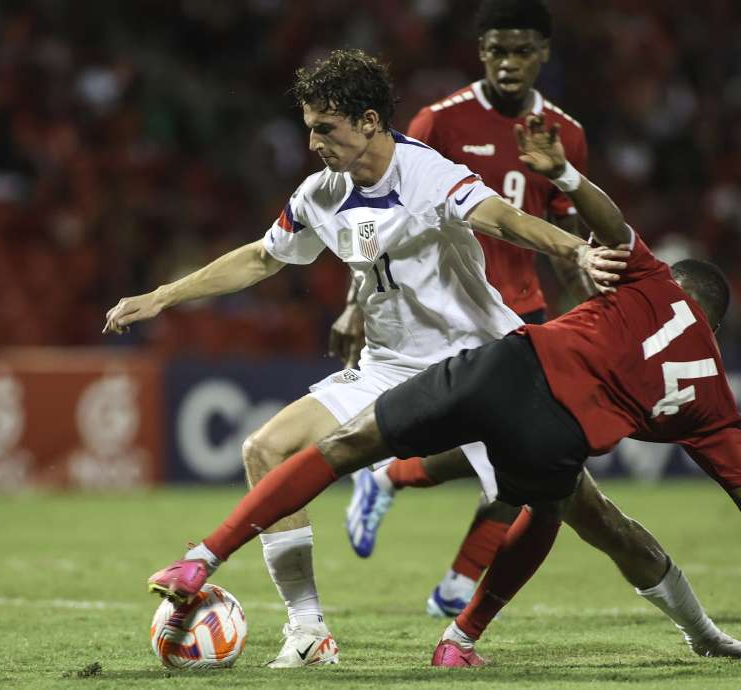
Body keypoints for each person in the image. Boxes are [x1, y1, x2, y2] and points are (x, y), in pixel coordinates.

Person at [144, 114, 741, 668]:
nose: (311, 142)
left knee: (347, 448)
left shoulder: (647, 279)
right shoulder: (716, 403)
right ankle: (417, 632)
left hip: (496, 360)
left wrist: (573, 208)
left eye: (321, 129)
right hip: (527, 415)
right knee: (572, 514)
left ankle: (209, 553)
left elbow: (555, 222)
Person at [105, 48, 626, 668]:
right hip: (390, 367)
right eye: (308, 128)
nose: (313, 143)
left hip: (483, 365)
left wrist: (575, 252)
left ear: (370, 122)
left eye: (326, 129)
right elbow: (261, 257)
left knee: (588, 517)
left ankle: (693, 623)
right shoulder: (320, 193)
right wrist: (163, 296)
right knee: (264, 449)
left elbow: (505, 220)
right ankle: (308, 630)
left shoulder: (428, 173)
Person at [337, 0, 741, 659]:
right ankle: (445, 578)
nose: (509, 62)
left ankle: (439, 563)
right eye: (498, 49)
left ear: (544, 55)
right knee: (537, 476)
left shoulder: (565, 132)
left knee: (530, 470)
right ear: (482, 52)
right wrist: (360, 296)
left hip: (526, 315)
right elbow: (375, 207)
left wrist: (583, 316)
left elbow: (567, 234)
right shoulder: (438, 121)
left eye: (523, 50)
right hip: (448, 310)